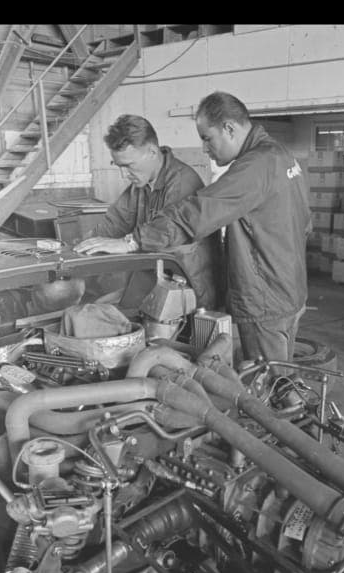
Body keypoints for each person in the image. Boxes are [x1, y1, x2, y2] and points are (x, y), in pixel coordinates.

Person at [76, 92, 311, 367]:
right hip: (286, 286)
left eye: (207, 138)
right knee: (278, 377)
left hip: (265, 297)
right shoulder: (279, 156)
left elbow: (197, 213)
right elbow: (305, 223)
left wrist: (131, 242)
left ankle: (283, 408)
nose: (205, 149)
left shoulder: (255, 166)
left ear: (229, 129)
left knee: (270, 380)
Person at [75, 114, 220, 308]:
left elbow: (168, 230)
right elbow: (114, 223)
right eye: (118, 166)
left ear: (152, 152)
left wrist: (129, 242)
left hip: (188, 288)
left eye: (129, 166)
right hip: (154, 282)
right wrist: (76, 249)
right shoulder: (141, 186)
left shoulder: (182, 182)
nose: (123, 175)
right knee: (99, 307)